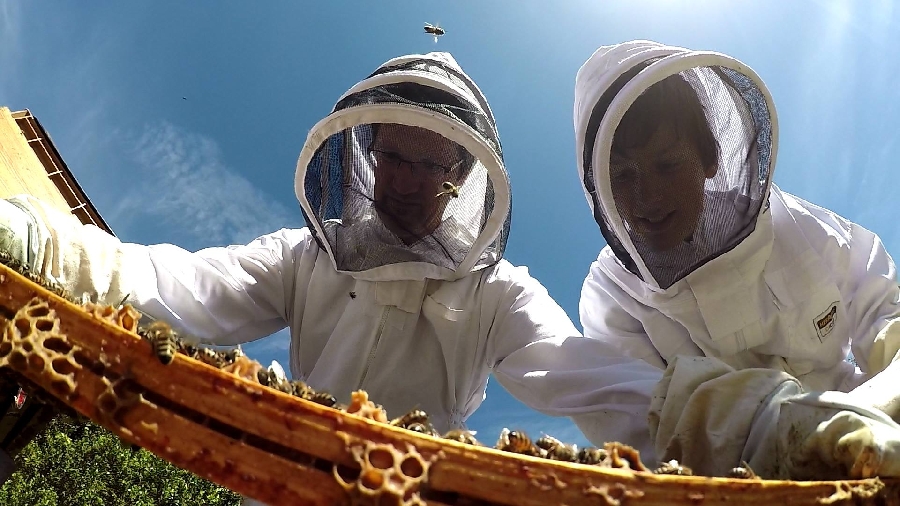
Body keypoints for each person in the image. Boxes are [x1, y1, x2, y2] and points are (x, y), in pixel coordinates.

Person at [0, 52, 662, 501]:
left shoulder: (499, 292)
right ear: (367, 150)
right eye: (393, 155)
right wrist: (45, 244)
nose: (404, 180)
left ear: (460, 173)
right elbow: (184, 285)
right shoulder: (305, 256)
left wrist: (733, 422)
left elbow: (586, 376)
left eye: (428, 165)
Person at [573, 39, 900, 479]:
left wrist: (885, 395)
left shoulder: (802, 229)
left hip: (871, 433)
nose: (647, 198)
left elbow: (884, 310)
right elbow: (640, 414)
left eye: (667, 165)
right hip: (725, 480)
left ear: (709, 160)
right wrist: (768, 430)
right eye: (623, 176)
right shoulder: (610, 297)